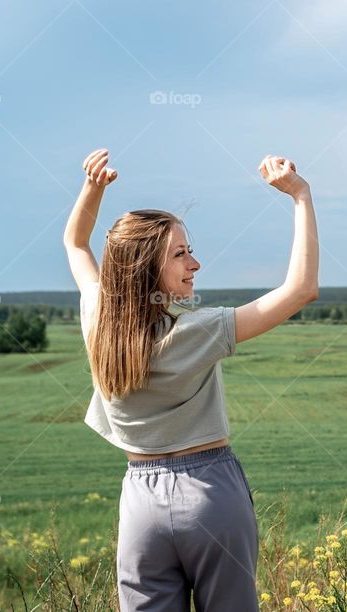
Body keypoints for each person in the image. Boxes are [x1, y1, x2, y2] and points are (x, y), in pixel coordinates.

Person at [62, 148, 319, 611]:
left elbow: (76, 244)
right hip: (210, 495)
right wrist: (301, 196)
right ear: (145, 269)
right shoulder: (195, 329)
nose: (195, 264)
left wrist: (92, 188)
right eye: (181, 254)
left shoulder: (99, 318)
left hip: (139, 499)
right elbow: (301, 289)